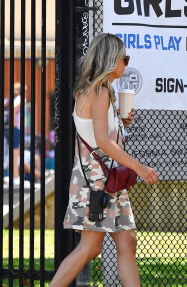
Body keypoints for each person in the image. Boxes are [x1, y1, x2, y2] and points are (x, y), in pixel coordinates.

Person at [49, 33, 159, 287]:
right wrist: (138, 167)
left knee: (127, 242)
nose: (126, 64)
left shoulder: (95, 90)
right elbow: (102, 141)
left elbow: (99, 134)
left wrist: (120, 122)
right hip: (97, 181)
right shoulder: (99, 91)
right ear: (111, 60)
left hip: (102, 179)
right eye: (124, 58)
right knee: (89, 248)